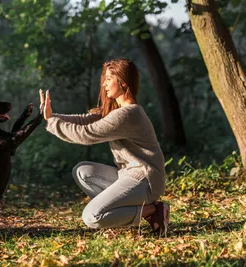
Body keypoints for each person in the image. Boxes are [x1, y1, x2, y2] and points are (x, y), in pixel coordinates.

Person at [39, 58, 169, 236]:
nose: (104, 84)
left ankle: (151, 211)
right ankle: (123, 211)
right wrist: (52, 116)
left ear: (122, 82)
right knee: (83, 171)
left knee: (92, 217)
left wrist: (52, 122)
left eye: (109, 79)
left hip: (145, 179)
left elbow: (85, 134)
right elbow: (85, 120)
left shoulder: (129, 114)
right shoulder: (118, 111)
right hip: (128, 175)